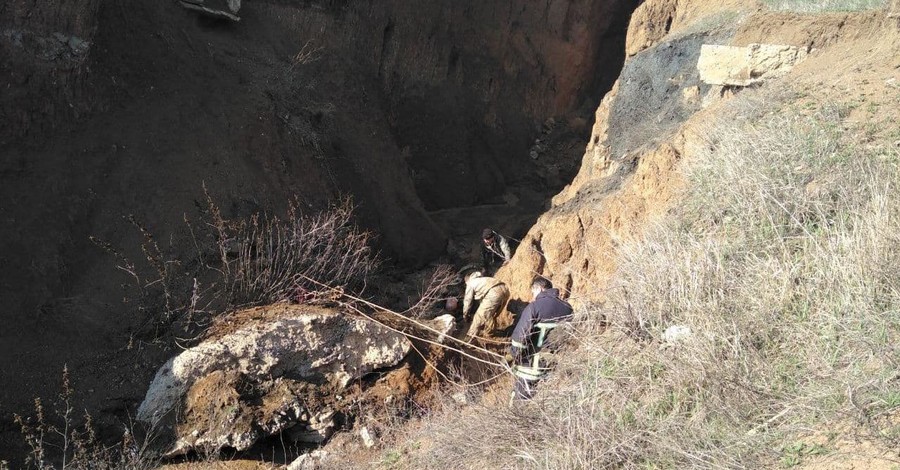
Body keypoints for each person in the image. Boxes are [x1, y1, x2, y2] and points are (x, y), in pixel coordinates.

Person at [508, 276, 572, 400]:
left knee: (520, 397)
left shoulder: (534, 307)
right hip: (557, 362)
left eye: (533, 291)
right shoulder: (567, 307)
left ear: (540, 288)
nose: (533, 296)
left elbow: (520, 336)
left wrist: (515, 354)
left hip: (533, 364)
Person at [461, 270, 510, 341]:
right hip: (505, 289)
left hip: (494, 293)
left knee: (478, 317)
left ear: (467, 281)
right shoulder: (483, 279)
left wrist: (465, 315)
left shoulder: (470, 283)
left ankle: (469, 340)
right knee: (491, 314)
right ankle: (490, 333)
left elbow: (467, 301)